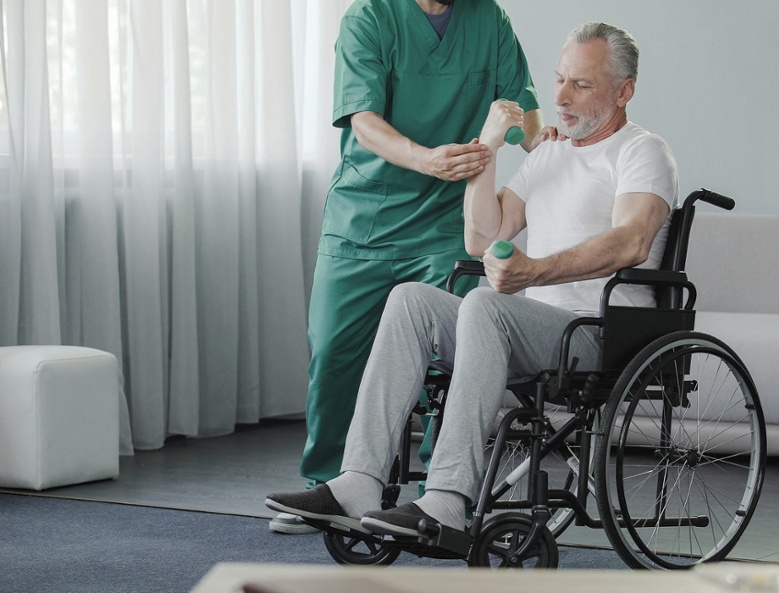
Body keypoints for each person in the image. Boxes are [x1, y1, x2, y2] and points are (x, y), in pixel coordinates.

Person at [267, 21, 678, 537]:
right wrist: (488, 148)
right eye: (558, 80)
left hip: (600, 335)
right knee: (411, 300)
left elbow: (631, 242)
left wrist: (535, 270)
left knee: (486, 303)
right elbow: (481, 237)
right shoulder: (549, 153)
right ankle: (357, 482)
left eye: (581, 85)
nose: (561, 98)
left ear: (624, 92)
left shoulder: (642, 152)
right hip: (539, 332)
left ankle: (445, 498)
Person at [273, 0, 548, 534]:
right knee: (333, 351)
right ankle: (331, 485)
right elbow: (363, 120)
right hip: (365, 213)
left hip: (446, 221)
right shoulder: (369, 17)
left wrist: (551, 148)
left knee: (453, 354)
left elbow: (523, 102)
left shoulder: (487, 19)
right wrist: (425, 158)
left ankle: (432, 498)